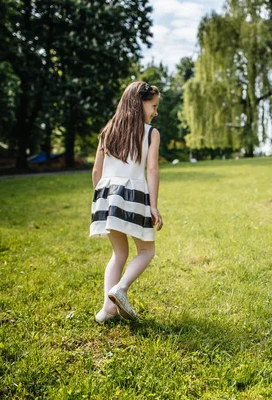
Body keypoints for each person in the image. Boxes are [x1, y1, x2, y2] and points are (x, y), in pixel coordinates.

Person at [90, 81, 163, 323]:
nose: (155, 111)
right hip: (132, 194)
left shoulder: (107, 131)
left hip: (106, 196)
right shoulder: (151, 133)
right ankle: (120, 289)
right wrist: (153, 206)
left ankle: (106, 311)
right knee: (146, 250)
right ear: (139, 103)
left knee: (118, 253)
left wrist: (103, 200)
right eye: (153, 106)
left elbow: (96, 171)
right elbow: (151, 170)